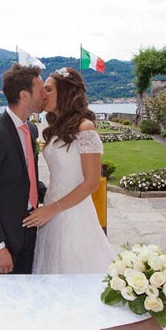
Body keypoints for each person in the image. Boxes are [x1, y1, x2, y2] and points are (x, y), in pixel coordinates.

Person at [23, 67, 114, 273]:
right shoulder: (55, 128)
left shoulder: (85, 128)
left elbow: (91, 183)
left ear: (65, 92)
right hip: (50, 209)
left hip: (73, 213)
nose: (43, 95)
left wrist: (52, 209)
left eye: (48, 90)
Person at [0, 63, 47, 274]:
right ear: (24, 95)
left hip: (30, 232)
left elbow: (27, 178)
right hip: (3, 241)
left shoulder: (30, 129)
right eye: (41, 91)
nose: (45, 96)